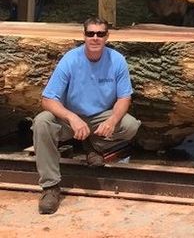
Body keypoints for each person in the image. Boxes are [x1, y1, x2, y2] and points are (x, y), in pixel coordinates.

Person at [33, 16, 141, 214]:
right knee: (42, 122)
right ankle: (50, 187)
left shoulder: (117, 60)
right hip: (71, 119)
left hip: (100, 118)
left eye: (100, 34)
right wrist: (72, 118)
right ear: (84, 35)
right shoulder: (70, 60)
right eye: (90, 33)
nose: (95, 38)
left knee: (130, 125)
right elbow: (47, 99)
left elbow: (124, 98)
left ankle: (93, 144)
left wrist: (112, 120)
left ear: (107, 37)